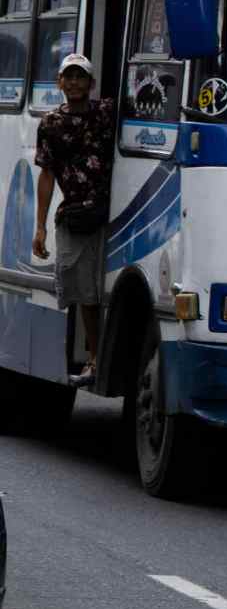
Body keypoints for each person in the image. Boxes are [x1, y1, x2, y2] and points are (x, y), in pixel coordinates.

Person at [32, 54, 116, 388]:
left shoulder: (106, 113)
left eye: (81, 77)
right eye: (69, 76)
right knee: (81, 292)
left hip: (110, 214)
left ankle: (99, 358)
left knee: (99, 291)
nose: (75, 82)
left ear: (91, 84)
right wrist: (40, 226)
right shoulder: (51, 123)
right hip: (75, 216)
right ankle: (94, 357)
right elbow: (47, 175)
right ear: (60, 83)